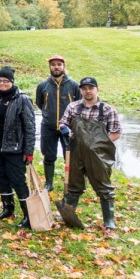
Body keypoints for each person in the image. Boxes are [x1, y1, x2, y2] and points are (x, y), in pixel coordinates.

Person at [59, 77, 121, 230]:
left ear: (97, 90)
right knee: (73, 186)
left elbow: (116, 132)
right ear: (80, 90)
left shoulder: (107, 110)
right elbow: (63, 122)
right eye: (84, 88)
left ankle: (109, 221)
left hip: (99, 155)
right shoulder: (73, 107)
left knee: (104, 187)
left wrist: (99, 145)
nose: (87, 91)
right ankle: (69, 214)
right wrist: (63, 128)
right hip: (76, 153)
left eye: (90, 88)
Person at [0, 67, 36, 229]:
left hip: (14, 148)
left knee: (18, 180)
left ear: (12, 82)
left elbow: (30, 127)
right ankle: (8, 208)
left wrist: (29, 151)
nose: (2, 83)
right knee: (2, 178)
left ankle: (28, 215)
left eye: (6, 81)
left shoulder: (22, 99)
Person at [35, 55, 81, 191]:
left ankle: (71, 182)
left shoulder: (74, 85)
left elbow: (79, 105)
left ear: (64, 66)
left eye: (59, 64)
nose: (56, 67)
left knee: (70, 156)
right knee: (49, 156)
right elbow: (40, 103)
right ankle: (49, 183)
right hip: (48, 127)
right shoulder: (42, 85)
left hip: (69, 127)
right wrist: (49, 114)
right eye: (53, 64)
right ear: (50, 67)